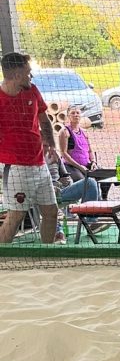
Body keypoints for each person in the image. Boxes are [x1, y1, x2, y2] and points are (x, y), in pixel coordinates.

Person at [0, 51, 58, 245]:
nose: (30, 76)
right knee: (16, 215)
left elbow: (44, 119)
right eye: (27, 72)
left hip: (39, 163)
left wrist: (51, 144)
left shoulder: (32, 90)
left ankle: (47, 254)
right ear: (17, 75)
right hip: (15, 167)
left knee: (51, 212)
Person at [45, 149, 103, 242]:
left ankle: (91, 223)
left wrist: (66, 180)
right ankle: (57, 232)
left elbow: (65, 174)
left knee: (90, 182)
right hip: (45, 193)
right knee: (46, 195)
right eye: (44, 145)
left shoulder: (53, 154)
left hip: (61, 191)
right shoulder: (32, 159)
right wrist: (52, 185)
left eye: (48, 144)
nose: (47, 147)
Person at [58, 106, 95, 180]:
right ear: (68, 116)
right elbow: (63, 153)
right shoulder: (65, 131)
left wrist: (93, 162)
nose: (76, 115)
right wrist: (80, 167)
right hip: (70, 166)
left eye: (78, 113)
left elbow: (90, 151)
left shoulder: (84, 132)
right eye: (73, 113)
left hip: (86, 166)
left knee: (104, 176)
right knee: (86, 182)